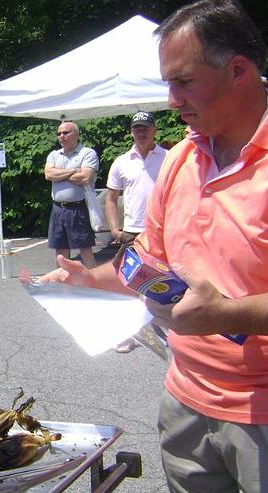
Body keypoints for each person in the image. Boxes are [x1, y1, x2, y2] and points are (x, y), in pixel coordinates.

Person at [39, 1, 268, 493]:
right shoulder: (182, 157)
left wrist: (228, 313)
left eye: (183, 82)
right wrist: (87, 278)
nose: (172, 100)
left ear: (239, 71)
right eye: (167, 83)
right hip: (193, 396)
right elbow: (147, 264)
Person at [105, 111, 168, 353]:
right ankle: (132, 335)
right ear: (132, 131)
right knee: (131, 287)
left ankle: (169, 332)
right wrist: (114, 228)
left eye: (145, 128)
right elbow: (111, 198)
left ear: (154, 130)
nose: (141, 133)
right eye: (137, 129)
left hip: (163, 230)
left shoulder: (169, 157)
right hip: (132, 232)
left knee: (166, 284)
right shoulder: (122, 161)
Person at [44, 121, 100, 267]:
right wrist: (74, 170)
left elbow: (85, 177)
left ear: (76, 133)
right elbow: (48, 174)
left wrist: (59, 173)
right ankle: (64, 286)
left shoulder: (87, 153)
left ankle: (95, 284)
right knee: (60, 251)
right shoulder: (54, 155)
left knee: (85, 249)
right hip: (58, 209)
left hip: (78, 208)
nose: (62, 136)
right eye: (59, 133)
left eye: (66, 132)